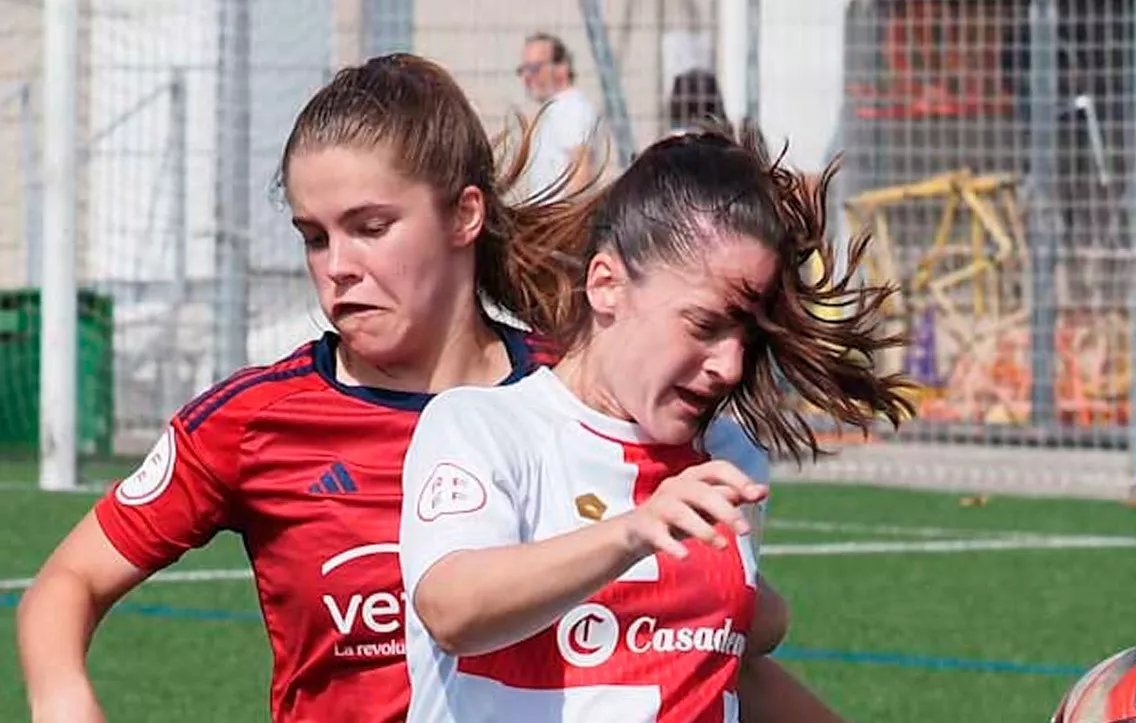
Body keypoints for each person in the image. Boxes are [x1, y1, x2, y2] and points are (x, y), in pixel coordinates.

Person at [15, 54, 791, 723]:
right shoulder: (256, 421)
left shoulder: (584, 405)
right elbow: (68, 580)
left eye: (370, 226)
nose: (337, 265)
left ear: (464, 215)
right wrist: (61, 695)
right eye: (314, 236)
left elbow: (697, 642)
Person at [399, 125, 912, 722]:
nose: (731, 365)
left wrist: (750, 609)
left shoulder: (727, 455)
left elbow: (724, 665)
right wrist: (632, 533)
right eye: (704, 324)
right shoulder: (483, 427)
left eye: (747, 336)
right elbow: (453, 610)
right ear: (606, 285)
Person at [516, 32, 598, 200]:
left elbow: (580, 174)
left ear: (561, 68)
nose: (527, 77)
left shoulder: (572, 108)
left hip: (560, 222)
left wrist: (566, 222)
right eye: (523, 70)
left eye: (534, 69)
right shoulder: (557, 108)